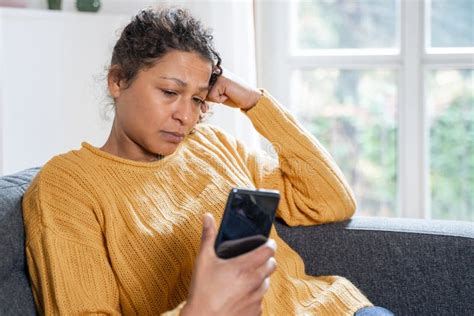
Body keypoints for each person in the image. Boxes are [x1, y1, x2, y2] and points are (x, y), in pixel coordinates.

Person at [22, 7, 394, 316]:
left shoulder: (212, 145)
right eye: (170, 92)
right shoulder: (67, 185)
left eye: (198, 99)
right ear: (118, 81)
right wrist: (199, 309)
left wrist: (254, 102)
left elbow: (330, 201)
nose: (186, 115)